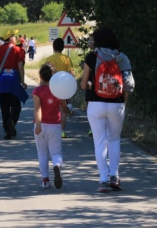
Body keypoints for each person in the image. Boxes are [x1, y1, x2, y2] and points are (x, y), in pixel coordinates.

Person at [81, 26, 134, 193]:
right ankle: (114, 176)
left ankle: (103, 179)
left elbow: (83, 84)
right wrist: (122, 102)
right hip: (116, 104)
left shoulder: (91, 57)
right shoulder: (122, 57)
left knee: (99, 142)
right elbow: (128, 84)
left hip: (96, 104)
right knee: (114, 140)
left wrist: (89, 84)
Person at [33, 63, 72, 189]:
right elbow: (64, 108)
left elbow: (37, 108)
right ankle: (56, 165)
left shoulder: (37, 91)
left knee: (42, 153)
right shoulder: (58, 91)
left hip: (40, 126)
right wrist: (70, 112)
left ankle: (45, 180)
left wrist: (38, 125)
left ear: (40, 76)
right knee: (56, 152)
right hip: (55, 125)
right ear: (54, 76)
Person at [0, 29, 29, 139]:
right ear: (10, 38)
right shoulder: (18, 50)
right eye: (14, 36)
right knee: (16, 105)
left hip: (2, 82)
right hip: (13, 81)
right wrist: (22, 81)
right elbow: (20, 67)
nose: (15, 38)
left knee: (4, 106)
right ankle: (12, 120)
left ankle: (7, 131)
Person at [44, 38, 74, 138]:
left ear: (53, 47)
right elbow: (71, 74)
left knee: (52, 107)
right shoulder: (67, 59)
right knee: (63, 108)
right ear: (63, 47)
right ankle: (62, 131)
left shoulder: (48, 59)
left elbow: (45, 74)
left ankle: (52, 128)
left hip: (52, 85)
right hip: (64, 86)